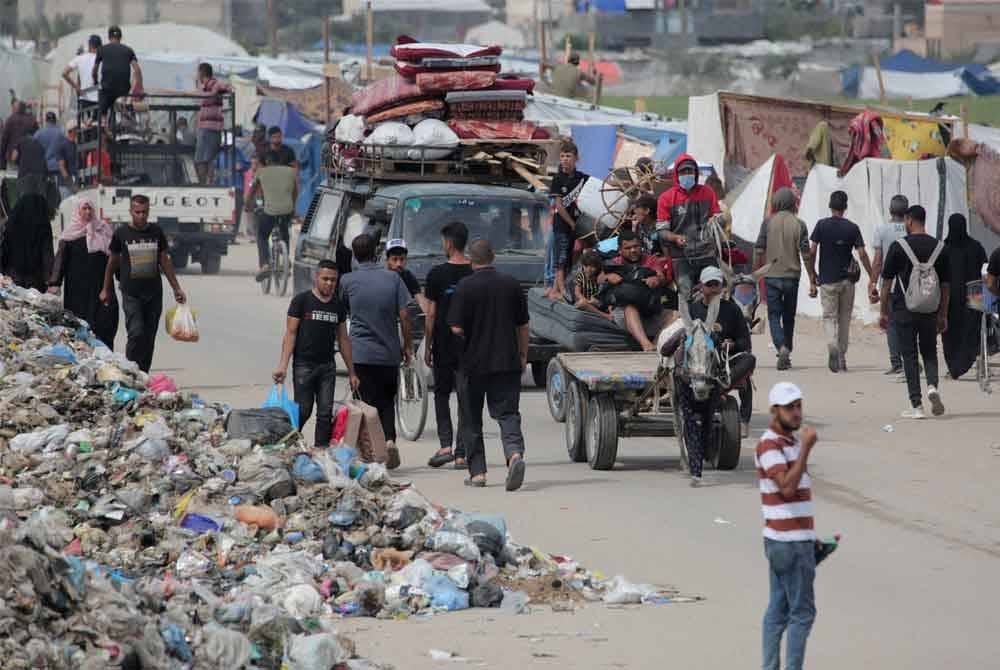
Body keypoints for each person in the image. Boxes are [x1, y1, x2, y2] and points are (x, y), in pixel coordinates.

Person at [448, 239, 528, 491]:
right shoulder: (511, 284)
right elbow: (522, 325)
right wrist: (522, 355)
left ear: (471, 260)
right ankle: (514, 454)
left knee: (471, 419)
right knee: (508, 414)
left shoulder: (465, 287)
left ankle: (478, 474)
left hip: (472, 364)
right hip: (506, 361)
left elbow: (457, 327)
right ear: (493, 257)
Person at [756, 382, 819, 670]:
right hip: (787, 543)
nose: (796, 413)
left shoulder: (791, 443)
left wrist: (812, 539)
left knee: (779, 610)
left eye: (798, 406)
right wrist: (806, 449)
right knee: (802, 613)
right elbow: (787, 489)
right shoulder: (769, 444)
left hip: (794, 540)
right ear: (774, 411)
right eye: (789, 408)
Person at [674, 266, 754, 485]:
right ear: (701, 285)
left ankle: (720, 389)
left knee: (749, 360)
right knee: (692, 421)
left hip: (720, 367)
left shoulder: (732, 310)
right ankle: (696, 469)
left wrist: (731, 342)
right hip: (693, 370)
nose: (714, 288)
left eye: (717, 284)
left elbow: (745, 343)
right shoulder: (691, 310)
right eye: (710, 284)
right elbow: (679, 342)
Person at [339, 233, 412, 470]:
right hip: (389, 353)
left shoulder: (347, 281)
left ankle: (372, 452)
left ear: (355, 256)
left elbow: (343, 314)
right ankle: (389, 441)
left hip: (360, 354)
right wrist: (407, 346)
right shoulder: (393, 279)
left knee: (364, 404)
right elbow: (404, 315)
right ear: (376, 253)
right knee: (387, 402)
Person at [273, 259, 359, 446]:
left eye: (333, 280)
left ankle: (321, 451)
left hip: (327, 367)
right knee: (303, 410)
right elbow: (290, 334)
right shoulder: (301, 301)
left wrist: (352, 372)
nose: (329, 283)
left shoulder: (338, 306)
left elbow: (344, 339)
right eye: (325, 279)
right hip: (304, 366)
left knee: (325, 413)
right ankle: (288, 443)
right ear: (316, 277)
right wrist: (282, 365)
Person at [100, 194, 186, 373]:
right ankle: (129, 370)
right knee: (136, 333)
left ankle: (143, 373)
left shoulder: (156, 232)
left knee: (149, 337)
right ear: (131, 212)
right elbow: (112, 263)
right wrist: (105, 288)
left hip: (153, 293)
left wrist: (176, 288)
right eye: (137, 212)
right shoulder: (121, 234)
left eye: (144, 212)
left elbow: (164, 260)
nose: (141, 216)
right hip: (131, 293)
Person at [879, 205, 950, 419]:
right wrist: (943, 314)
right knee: (929, 350)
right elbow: (946, 287)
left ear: (909, 221)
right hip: (930, 309)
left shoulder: (898, 247)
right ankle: (932, 386)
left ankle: (916, 406)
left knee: (909, 355)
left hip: (903, 310)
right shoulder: (940, 247)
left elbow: (886, 283)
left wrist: (883, 312)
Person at [425, 221, 474, 469]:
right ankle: (462, 453)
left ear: (448, 243)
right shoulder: (475, 272)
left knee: (442, 394)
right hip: (469, 346)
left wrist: (427, 345)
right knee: (466, 398)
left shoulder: (436, 274)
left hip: (443, 344)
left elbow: (431, 313)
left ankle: (445, 445)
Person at [808, 190, 873, 373]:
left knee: (829, 317)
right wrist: (872, 276)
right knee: (844, 318)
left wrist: (812, 273)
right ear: (845, 207)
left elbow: (812, 251)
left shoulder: (821, 226)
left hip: (827, 280)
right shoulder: (852, 228)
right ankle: (842, 357)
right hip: (847, 282)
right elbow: (862, 254)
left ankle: (832, 346)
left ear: (830, 206)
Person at [754, 187, 815, 370]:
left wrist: (755, 274)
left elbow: (758, 250)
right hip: (791, 277)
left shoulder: (767, 223)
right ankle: (786, 350)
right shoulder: (799, 224)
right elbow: (806, 254)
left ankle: (781, 347)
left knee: (773, 315)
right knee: (789, 317)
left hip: (771, 276)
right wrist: (812, 278)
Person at [47, 199, 118, 349]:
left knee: (105, 323)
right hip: (77, 292)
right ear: (77, 211)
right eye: (84, 209)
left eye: (90, 209)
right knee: (79, 325)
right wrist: (55, 283)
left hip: (102, 288)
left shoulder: (103, 231)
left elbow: (115, 258)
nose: (88, 212)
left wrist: (123, 278)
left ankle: (107, 358)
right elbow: (60, 261)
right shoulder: (69, 235)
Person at [656, 153, 721, 301]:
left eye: (690, 171)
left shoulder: (707, 192)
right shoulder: (666, 198)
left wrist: (718, 219)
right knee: (685, 294)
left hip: (707, 253)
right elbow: (661, 230)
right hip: (681, 256)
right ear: (676, 175)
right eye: (683, 172)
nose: (687, 175)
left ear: (696, 173)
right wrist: (675, 237)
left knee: (715, 292)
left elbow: (717, 215)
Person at [603, 229, 670, 351]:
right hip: (624, 315)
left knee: (676, 315)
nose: (633, 250)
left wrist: (656, 279)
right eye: (628, 248)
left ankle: (656, 343)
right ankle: (646, 344)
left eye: (636, 246)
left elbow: (661, 276)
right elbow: (599, 278)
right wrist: (608, 277)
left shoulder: (651, 260)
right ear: (620, 250)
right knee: (630, 307)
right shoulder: (613, 263)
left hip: (649, 311)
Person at [940, 213, 987, 380]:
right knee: (971, 328)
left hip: (950, 295)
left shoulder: (944, 248)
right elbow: (985, 271)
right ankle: (964, 362)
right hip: (974, 293)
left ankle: (954, 366)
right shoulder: (976, 247)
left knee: (951, 332)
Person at [869, 195, 909, 377]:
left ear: (891, 210)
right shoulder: (911, 229)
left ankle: (896, 362)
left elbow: (878, 261)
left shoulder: (882, 230)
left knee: (891, 323)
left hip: (890, 284)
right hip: (910, 285)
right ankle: (911, 360)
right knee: (909, 324)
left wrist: (872, 282)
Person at [247, 150, 297, 278]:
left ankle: (265, 265)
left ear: (267, 161)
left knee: (262, 235)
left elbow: (252, 190)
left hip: (269, 211)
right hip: (287, 210)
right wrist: (292, 206)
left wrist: (247, 205)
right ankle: (286, 260)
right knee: (284, 232)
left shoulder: (261, 171)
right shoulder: (291, 171)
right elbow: (295, 191)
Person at [547, 141, 586, 302]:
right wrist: (571, 223)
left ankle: (555, 289)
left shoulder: (582, 178)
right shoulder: (557, 179)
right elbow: (559, 206)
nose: (565, 159)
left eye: (568, 156)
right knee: (561, 257)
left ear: (576, 158)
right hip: (562, 225)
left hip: (578, 227)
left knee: (569, 257)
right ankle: (562, 290)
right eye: (562, 156)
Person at [0, 193, 54, 292]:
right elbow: (47, 253)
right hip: (35, 280)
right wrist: (50, 280)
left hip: (12, 276)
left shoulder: (12, 222)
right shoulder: (43, 224)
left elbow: (4, 249)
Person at [93, 25, 143, 126]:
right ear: (120, 37)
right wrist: (135, 89)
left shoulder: (101, 50)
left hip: (107, 89)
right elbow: (137, 70)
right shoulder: (128, 50)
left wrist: (95, 81)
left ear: (109, 37)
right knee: (124, 105)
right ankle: (127, 118)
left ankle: (104, 125)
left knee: (103, 111)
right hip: (123, 90)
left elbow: (94, 71)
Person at [194, 63, 229, 184]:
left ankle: (206, 185)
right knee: (204, 160)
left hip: (209, 128)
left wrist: (215, 91)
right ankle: (207, 184)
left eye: (198, 72)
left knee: (204, 160)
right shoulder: (206, 86)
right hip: (207, 128)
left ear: (201, 73)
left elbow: (224, 87)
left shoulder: (213, 84)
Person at [34, 112, 75, 199]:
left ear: (46, 120)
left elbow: (33, 146)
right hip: (58, 167)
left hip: (43, 167)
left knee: (44, 192)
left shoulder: (39, 133)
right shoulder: (61, 133)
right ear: (55, 121)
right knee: (58, 192)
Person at [384, 238, 430, 315]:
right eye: (394, 259)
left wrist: (429, 316)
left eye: (402, 259)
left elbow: (420, 298)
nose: (398, 264)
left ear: (406, 259)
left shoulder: (407, 275)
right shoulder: (381, 277)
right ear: (387, 260)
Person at [573, 249, 611, 319]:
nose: (589, 269)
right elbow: (577, 292)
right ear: (583, 265)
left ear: (597, 267)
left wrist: (597, 301)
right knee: (582, 304)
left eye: (592, 266)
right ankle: (605, 316)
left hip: (595, 302)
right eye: (586, 266)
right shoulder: (581, 276)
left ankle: (608, 313)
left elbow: (603, 291)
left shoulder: (598, 276)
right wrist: (585, 300)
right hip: (585, 301)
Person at [0, 101, 39, 169]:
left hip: (12, 154)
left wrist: (2, 154)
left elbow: (4, 138)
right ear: (25, 109)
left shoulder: (11, 119)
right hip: (27, 155)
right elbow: (37, 136)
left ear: (17, 108)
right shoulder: (32, 120)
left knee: (12, 176)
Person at [63, 34, 101, 102]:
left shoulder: (80, 58)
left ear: (90, 45)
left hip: (84, 98)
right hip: (100, 99)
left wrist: (76, 87)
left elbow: (64, 73)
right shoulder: (104, 59)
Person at [11, 133, 49, 201]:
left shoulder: (20, 141)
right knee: (41, 199)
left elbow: (14, 157)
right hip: (40, 174)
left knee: (24, 200)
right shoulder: (39, 143)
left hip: (25, 173)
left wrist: (18, 163)